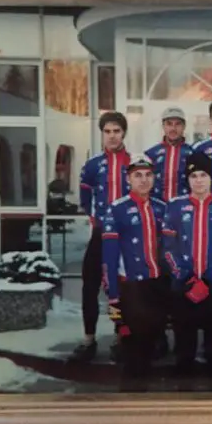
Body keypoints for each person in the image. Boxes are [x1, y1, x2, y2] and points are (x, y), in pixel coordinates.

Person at [161, 151, 212, 377]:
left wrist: (210, 278)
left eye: (203, 175)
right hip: (183, 287)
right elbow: (168, 246)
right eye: (194, 176)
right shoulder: (175, 206)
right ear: (187, 179)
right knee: (184, 347)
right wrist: (187, 278)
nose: (199, 180)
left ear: (211, 177)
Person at [69, 111, 131, 363]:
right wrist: (96, 219)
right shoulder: (93, 164)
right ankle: (88, 337)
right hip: (100, 234)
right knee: (90, 285)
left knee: (121, 289)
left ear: (124, 132)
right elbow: (85, 198)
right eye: (108, 131)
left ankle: (120, 335)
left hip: (125, 237)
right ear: (102, 133)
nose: (112, 136)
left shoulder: (135, 161)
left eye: (117, 131)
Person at [101, 155, 168, 384]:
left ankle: (147, 407)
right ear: (128, 178)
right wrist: (113, 295)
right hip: (130, 285)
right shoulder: (117, 209)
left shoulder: (161, 208)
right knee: (133, 346)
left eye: (148, 175)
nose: (143, 180)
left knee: (152, 342)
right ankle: (130, 402)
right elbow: (109, 255)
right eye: (138, 175)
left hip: (156, 284)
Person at [145, 106, 194, 203]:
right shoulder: (151, 154)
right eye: (169, 124)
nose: (173, 128)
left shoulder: (192, 153)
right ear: (163, 126)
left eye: (178, 124)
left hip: (185, 208)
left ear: (184, 126)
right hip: (156, 208)